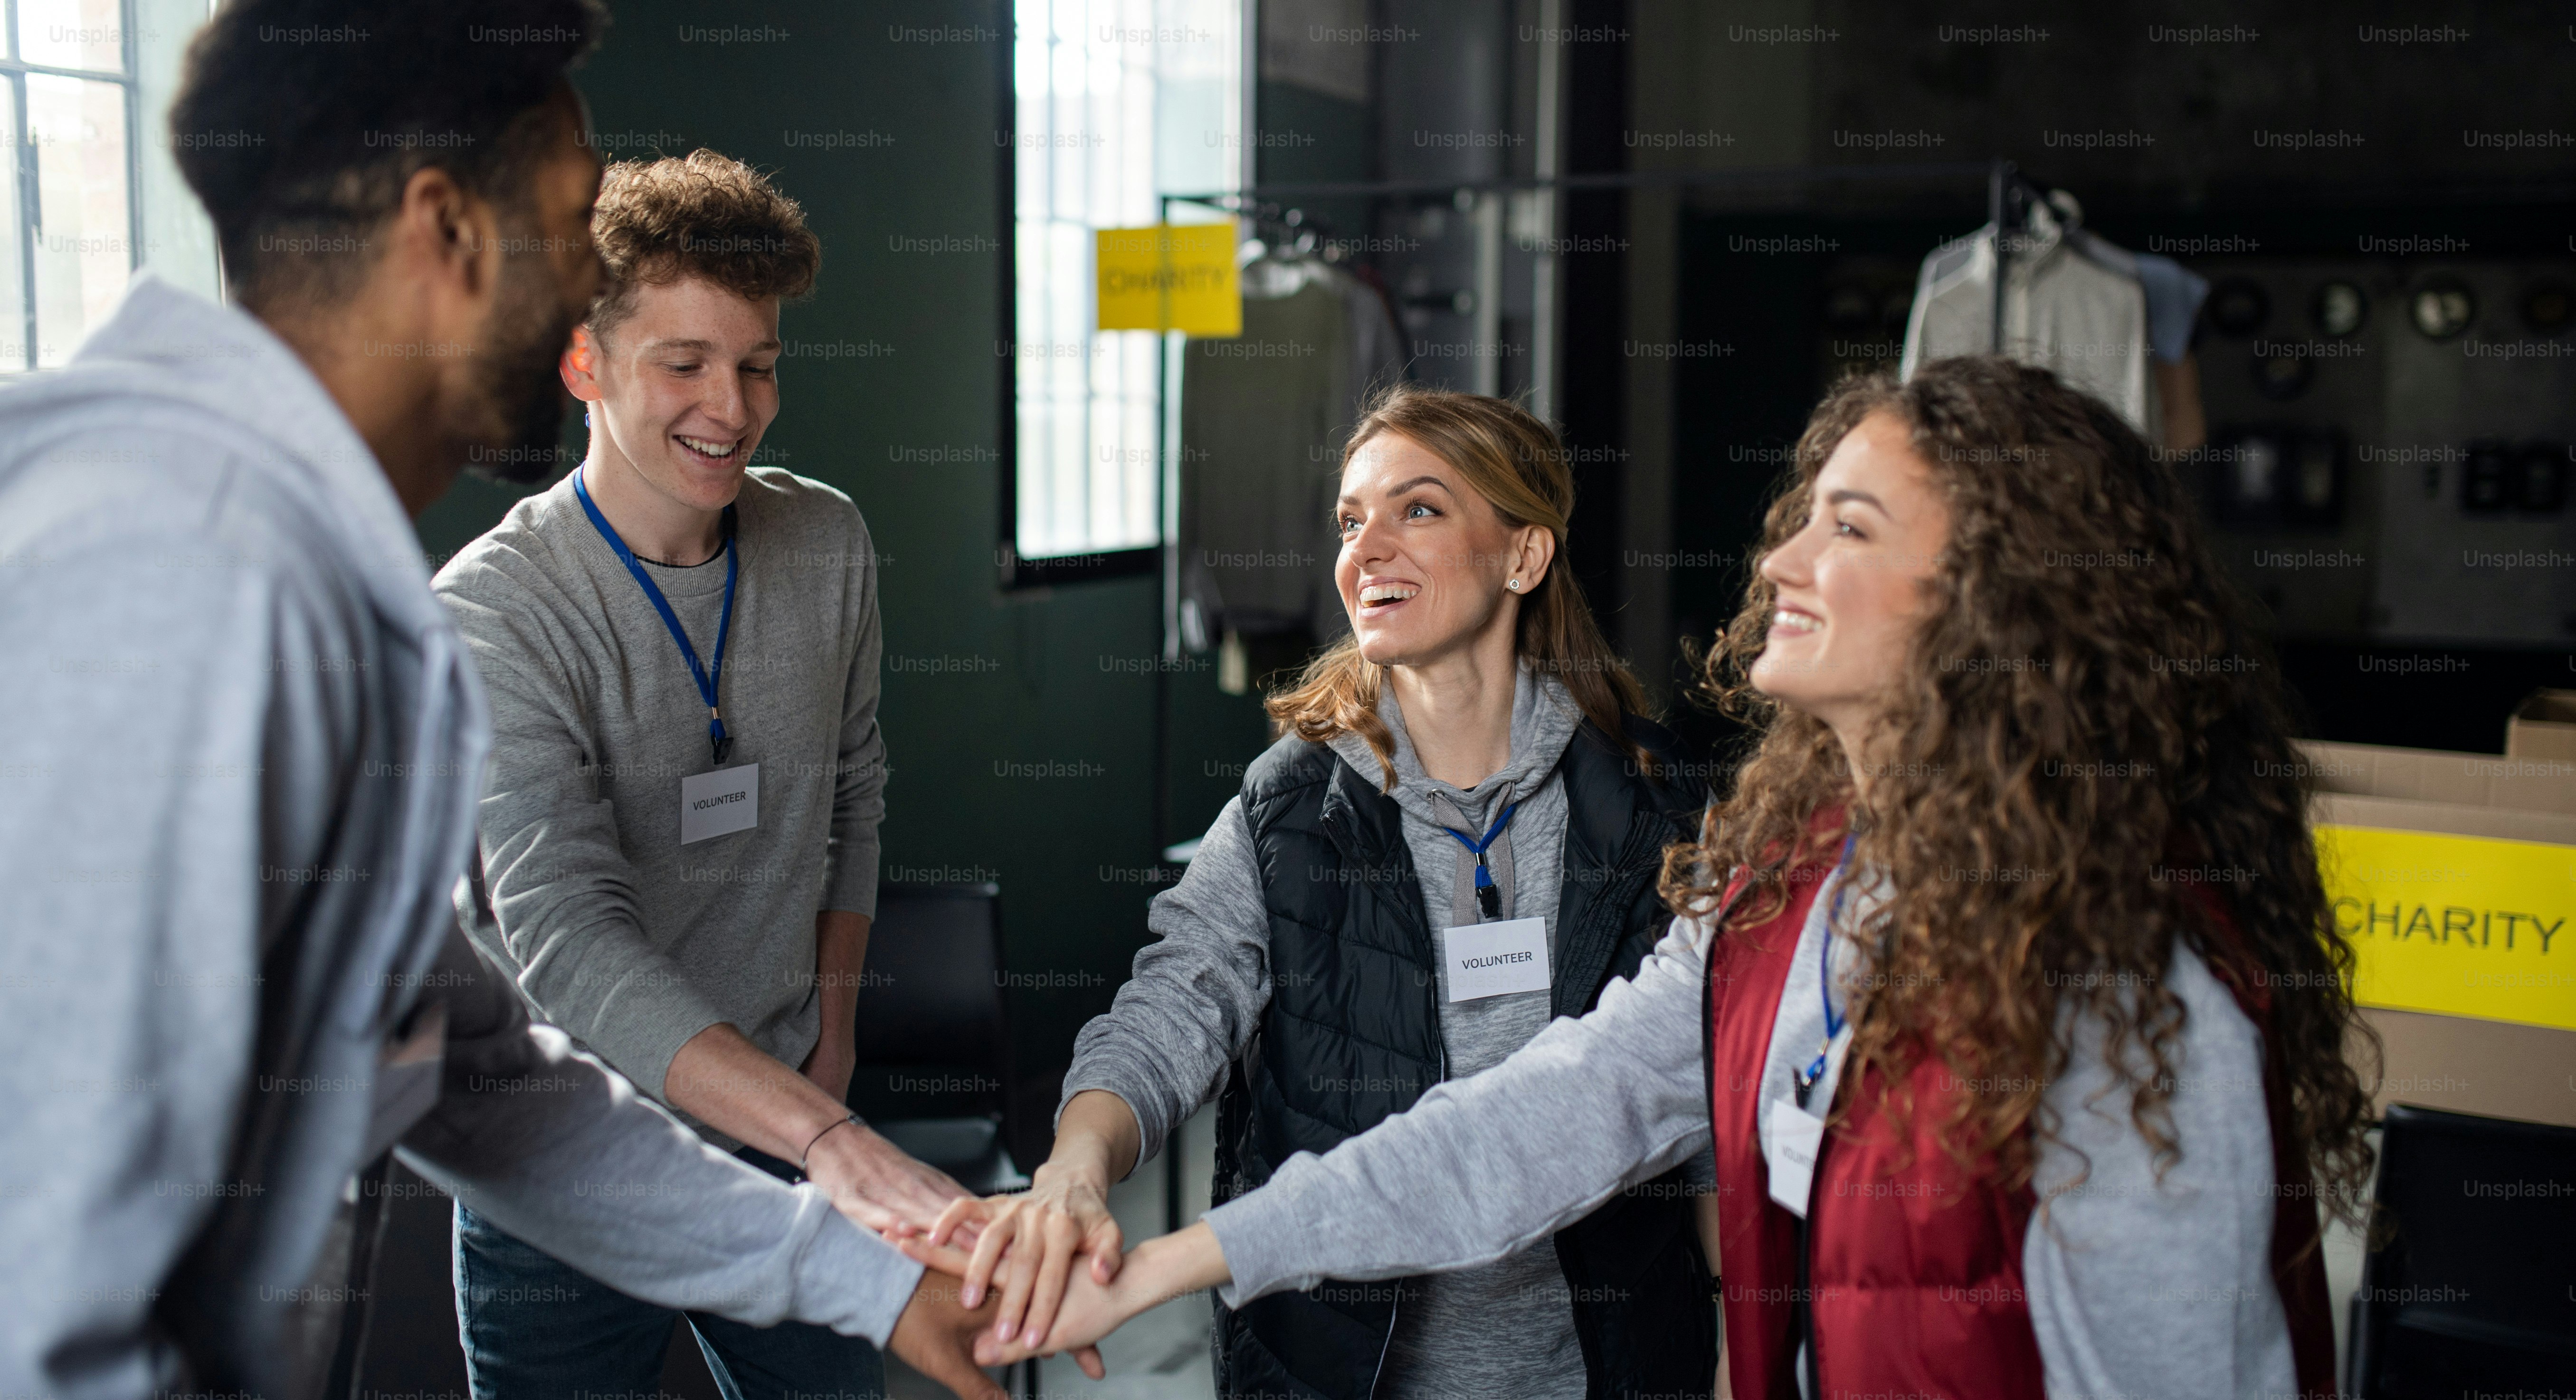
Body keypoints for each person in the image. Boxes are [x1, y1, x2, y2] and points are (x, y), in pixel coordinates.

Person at [939, 357, 2378, 1400]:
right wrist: (1178, 1255)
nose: (1785, 553)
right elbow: (1537, 1119)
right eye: (1805, 512)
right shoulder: (1785, 888)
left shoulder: (2123, 983)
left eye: (1851, 526)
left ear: (1992, 603)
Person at [0, 5, 1001, 1400]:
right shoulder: (190, 568)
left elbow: (482, 1079)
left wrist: (861, 1268)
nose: (579, 297)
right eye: (568, 228)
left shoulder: (283, 564)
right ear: (447, 232)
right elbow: (54, 1283)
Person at [924, 386, 1719, 1399]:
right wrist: (1075, 1169)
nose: (1367, 549)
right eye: (1352, 520)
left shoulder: (1646, 801)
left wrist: (1735, 1341)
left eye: (1418, 510)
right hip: (1343, 1371)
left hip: (1603, 1367)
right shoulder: (1289, 809)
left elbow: (1692, 1100)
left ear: (1525, 556)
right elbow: (1171, 1007)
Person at [433, 148, 961, 1398]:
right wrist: (831, 1131)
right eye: (684, 363)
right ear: (585, 363)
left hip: (781, 1135)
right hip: (566, 1168)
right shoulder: (492, 612)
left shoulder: (825, 540)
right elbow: (563, 934)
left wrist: (828, 1043)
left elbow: (855, 793)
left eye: (759, 364)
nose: (732, 405)